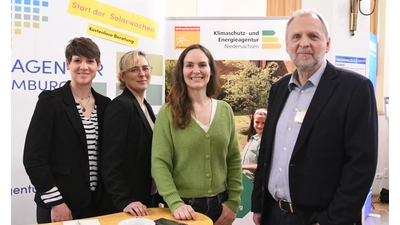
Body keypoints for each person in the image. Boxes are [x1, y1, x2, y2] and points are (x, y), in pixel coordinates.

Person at [251, 9, 378, 225]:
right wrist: (259, 204)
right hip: (274, 214)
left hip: (319, 218)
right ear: (287, 45)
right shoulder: (278, 89)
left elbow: (361, 166)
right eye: (296, 37)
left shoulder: (355, 89)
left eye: (313, 36)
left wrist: (331, 220)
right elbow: (266, 152)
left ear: (327, 44)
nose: (304, 43)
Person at [23, 37, 115, 223]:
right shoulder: (51, 102)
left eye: (90, 61)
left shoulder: (106, 105)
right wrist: (56, 203)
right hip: (59, 206)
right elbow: (34, 159)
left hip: (95, 206)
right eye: (77, 60)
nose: (84, 66)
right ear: (67, 64)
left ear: (98, 65)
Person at [151, 44, 243, 224]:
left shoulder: (225, 111)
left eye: (202, 64)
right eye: (189, 65)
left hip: (220, 206)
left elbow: (233, 159)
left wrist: (233, 202)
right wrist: (175, 203)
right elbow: (159, 163)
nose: (196, 71)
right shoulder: (168, 113)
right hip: (183, 209)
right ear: (181, 71)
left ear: (210, 70)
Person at [101, 50, 163, 216]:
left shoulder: (146, 107)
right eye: (134, 70)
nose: (142, 74)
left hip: (146, 199)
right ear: (122, 77)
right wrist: (124, 200)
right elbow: (110, 162)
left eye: (145, 68)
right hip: (128, 205)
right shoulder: (120, 106)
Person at [241, 108, 267, 183]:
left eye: (263, 123)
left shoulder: (264, 141)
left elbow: (263, 165)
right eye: (257, 122)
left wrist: (241, 167)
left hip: (252, 182)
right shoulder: (253, 137)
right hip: (243, 178)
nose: (259, 126)